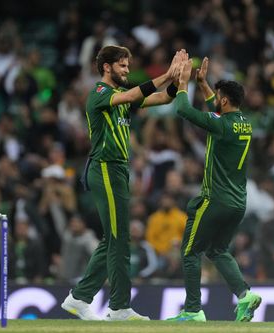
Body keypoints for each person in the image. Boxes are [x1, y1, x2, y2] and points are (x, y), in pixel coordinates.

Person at [60, 45, 186, 321]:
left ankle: (79, 297)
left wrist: (177, 83)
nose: (127, 70)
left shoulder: (122, 96)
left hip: (118, 170)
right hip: (104, 167)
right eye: (122, 66)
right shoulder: (100, 93)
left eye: (128, 66)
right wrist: (166, 74)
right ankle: (118, 307)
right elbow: (133, 94)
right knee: (119, 240)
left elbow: (163, 100)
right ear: (107, 67)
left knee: (114, 239)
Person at [166, 57, 261, 322]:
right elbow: (217, 111)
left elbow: (183, 110)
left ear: (225, 101)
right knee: (217, 250)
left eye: (218, 97)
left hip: (215, 199)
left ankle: (193, 311)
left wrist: (183, 85)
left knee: (189, 252)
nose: (215, 100)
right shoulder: (244, 123)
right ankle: (245, 296)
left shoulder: (220, 125)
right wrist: (204, 84)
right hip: (237, 203)